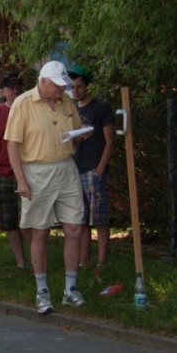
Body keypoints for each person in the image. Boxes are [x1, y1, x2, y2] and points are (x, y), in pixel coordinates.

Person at [5, 60, 88, 314]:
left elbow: (76, 130)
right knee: (40, 231)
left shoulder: (66, 102)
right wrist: (21, 180)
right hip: (37, 171)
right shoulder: (23, 103)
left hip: (66, 168)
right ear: (42, 81)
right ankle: (42, 291)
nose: (62, 90)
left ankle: (70, 288)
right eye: (57, 85)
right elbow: (12, 144)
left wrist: (83, 133)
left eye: (64, 86)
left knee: (74, 227)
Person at [68, 65, 115, 274]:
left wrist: (100, 169)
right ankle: (83, 260)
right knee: (81, 219)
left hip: (94, 169)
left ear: (88, 87)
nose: (75, 91)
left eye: (79, 87)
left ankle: (102, 262)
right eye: (73, 87)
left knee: (99, 218)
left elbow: (110, 141)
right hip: (76, 170)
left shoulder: (101, 107)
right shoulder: (72, 110)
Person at [0, 73, 30, 270]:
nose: (16, 90)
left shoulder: (29, 111)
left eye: (19, 86)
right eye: (12, 87)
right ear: (4, 91)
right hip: (3, 174)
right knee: (9, 222)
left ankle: (36, 260)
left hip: (26, 174)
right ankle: (21, 262)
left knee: (28, 220)